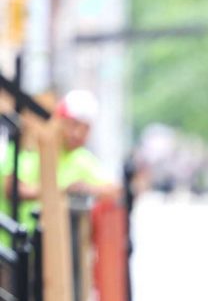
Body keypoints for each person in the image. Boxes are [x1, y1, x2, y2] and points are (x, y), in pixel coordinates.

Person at [2, 89, 121, 224]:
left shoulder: (81, 159)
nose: (78, 134)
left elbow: (115, 190)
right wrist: (61, 191)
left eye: (85, 128)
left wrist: (85, 189)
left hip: (52, 242)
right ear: (59, 121)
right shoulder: (24, 147)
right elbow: (12, 190)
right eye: (74, 124)